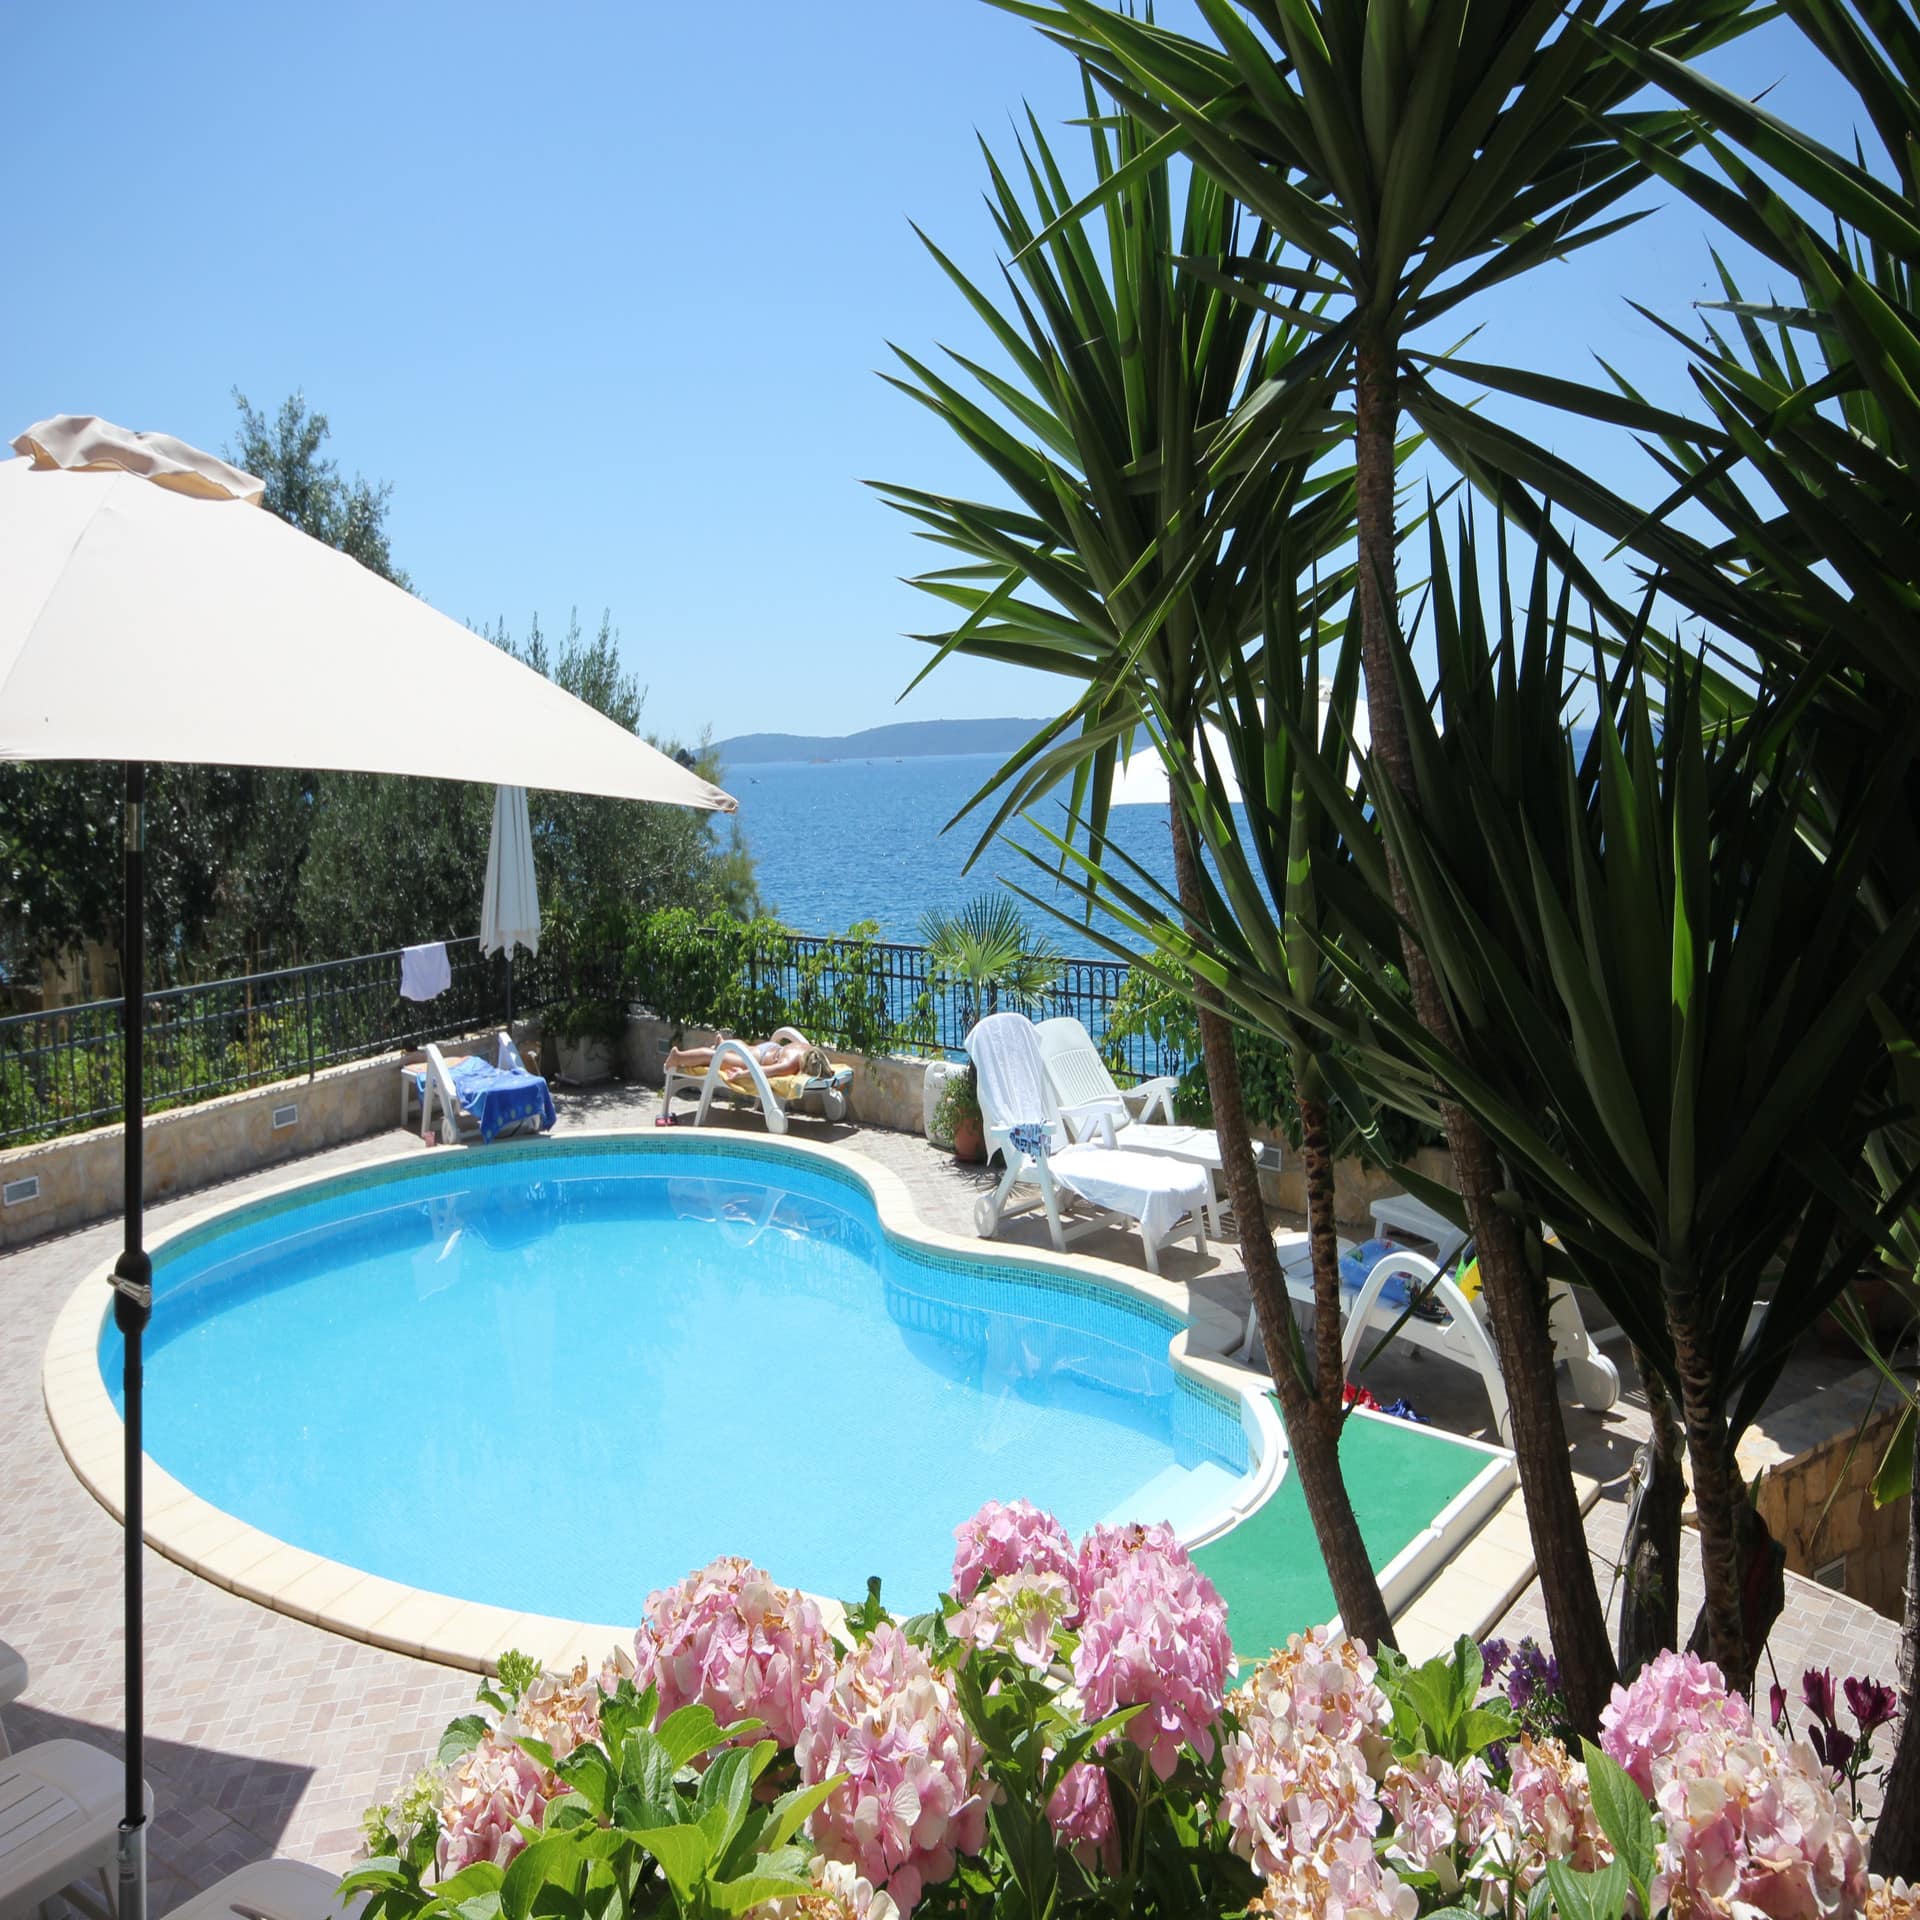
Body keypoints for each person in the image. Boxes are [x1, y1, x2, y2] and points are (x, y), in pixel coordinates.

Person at [663, 1031, 826, 1080]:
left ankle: (725, 1046)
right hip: (756, 1060)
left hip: (770, 1049)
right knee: (714, 1057)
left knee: (745, 1047)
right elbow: (765, 1071)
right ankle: (678, 1057)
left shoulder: (810, 1049)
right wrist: (743, 1074)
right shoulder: (791, 1064)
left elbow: (828, 1070)